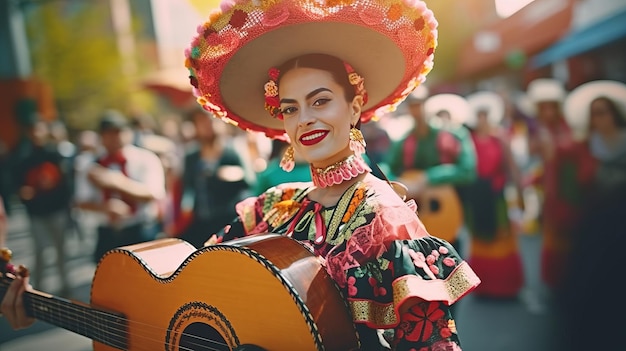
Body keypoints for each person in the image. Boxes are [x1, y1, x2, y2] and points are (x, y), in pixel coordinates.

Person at [2, 1, 481, 350]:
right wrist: (41, 306)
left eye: (320, 101)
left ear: (354, 106)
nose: (305, 120)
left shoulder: (384, 216)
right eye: (291, 108)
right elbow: (188, 290)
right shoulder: (273, 206)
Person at [556, 80, 626, 351]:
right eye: (594, 113)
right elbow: (569, 186)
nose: (599, 118)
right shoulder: (581, 147)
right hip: (593, 228)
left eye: (604, 112)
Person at [384, 88, 477, 253]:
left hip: (448, 214)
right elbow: (386, 168)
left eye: (420, 104)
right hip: (417, 222)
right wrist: (401, 184)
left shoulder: (454, 135)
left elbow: (468, 170)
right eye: (412, 105)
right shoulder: (403, 142)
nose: (417, 110)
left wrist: (429, 178)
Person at [525, 78, 596, 291]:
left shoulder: (571, 127)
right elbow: (538, 155)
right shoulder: (540, 130)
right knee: (553, 237)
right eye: (542, 108)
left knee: (571, 236)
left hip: (571, 190)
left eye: (551, 107)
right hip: (551, 191)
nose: (547, 112)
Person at [76, 110, 166, 262]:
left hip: (139, 230)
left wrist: (116, 182)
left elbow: (154, 193)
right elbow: (81, 201)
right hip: (107, 234)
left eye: (118, 132)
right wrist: (105, 207)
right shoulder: (89, 164)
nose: (114, 138)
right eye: (108, 133)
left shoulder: (145, 159)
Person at [461, 91, 525, 299]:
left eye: (485, 114)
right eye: (479, 114)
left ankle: (505, 286)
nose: (482, 118)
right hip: (476, 196)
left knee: (501, 235)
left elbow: (512, 168)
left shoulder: (500, 138)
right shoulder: (467, 140)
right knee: (479, 237)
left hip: (496, 195)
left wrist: (521, 194)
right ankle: (484, 285)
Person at [13, 118, 74, 296]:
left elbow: (65, 183)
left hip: (57, 210)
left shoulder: (54, 154)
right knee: (40, 251)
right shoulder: (23, 157)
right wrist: (24, 195)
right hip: (37, 212)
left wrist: (66, 205)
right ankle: (38, 288)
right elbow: (18, 185)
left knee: (61, 249)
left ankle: (65, 284)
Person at [177, 107, 251, 248]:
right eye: (201, 122)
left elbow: (249, 180)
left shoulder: (232, 152)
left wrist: (232, 174)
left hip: (229, 222)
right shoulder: (191, 157)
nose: (207, 126)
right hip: (201, 222)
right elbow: (188, 187)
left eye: (210, 121)